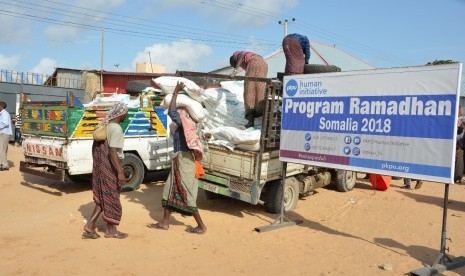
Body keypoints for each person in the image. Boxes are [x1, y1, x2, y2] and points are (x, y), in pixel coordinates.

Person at [147, 81, 207, 234]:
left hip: (184, 162)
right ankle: (165, 222)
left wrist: (175, 92)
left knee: (186, 193)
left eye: (181, 111)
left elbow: (172, 112)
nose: (178, 114)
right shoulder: (189, 124)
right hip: (180, 160)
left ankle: (201, 226)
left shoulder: (185, 122)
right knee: (169, 190)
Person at [83, 102, 129, 239]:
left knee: (105, 197)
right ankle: (111, 231)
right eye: (126, 112)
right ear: (121, 113)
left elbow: (98, 149)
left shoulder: (105, 125)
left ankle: (90, 225)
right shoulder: (116, 129)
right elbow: (113, 152)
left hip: (102, 166)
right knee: (112, 197)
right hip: (111, 167)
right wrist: (120, 172)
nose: (126, 114)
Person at [229, 51, 269, 128]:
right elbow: (260, 56)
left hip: (254, 63)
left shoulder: (236, 55)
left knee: (249, 90)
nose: (235, 66)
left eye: (234, 64)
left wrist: (234, 71)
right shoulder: (252, 55)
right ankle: (264, 120)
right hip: (264, 65)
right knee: (260, 89)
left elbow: (240, 57)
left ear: (234, 60)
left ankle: (251, 122)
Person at [0, 102, 13, 171]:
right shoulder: (2, 114)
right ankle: (2, 164)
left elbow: (5, 123)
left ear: (1, 106)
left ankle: (5, 165)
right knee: (2, 149)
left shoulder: (4, 113)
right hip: (3, 133)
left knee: (2, 149)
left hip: (4, 133)